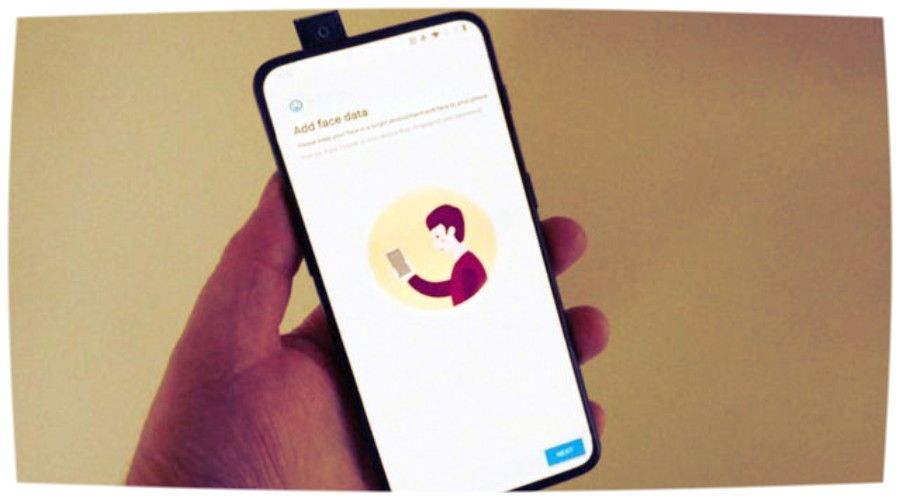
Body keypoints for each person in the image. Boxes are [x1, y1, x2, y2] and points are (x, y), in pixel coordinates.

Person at [126, 173, 611, 489]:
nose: (436, 243)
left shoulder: (469, 266)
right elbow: (435, 291)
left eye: (439, 236)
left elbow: (450, 299)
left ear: (455, 234)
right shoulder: (460, 267)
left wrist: (409, 279)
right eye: (432, 237)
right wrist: (404, 273)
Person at [405, 204, 487, 306]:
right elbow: (439, 289)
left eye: (437, 236)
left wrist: (410, 277)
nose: (435, 244)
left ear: (451, 231)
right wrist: (410, 277)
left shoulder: (466, 266)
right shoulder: (465, 262)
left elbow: (442, 290)